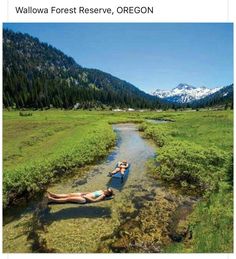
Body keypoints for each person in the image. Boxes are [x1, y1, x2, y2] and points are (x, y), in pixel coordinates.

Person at [47, 188, 114, 204]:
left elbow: (94, 201)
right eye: (107, 189)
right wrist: (83, 193)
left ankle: (52, 199)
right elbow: (91, 192)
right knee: (69, 194)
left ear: (108, 194)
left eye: (107, 191)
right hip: (84, 195)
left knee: (68, 199)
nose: (106, 190)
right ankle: (54, 195)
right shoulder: (101, 191)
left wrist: (85, 197)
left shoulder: (102, 195)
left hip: (84, 199)